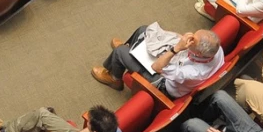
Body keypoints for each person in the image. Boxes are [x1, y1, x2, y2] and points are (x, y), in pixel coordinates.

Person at [92, 26, 224, 96]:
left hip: (164, 83)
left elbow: (157, 67)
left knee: (120, 52)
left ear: (198, 53)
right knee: (143, 30)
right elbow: (180, 39)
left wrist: (176, 48)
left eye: (191, 41)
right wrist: (169, 36)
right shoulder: (215, 47)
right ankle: (130, 51)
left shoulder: (192, 72)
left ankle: (115, 78)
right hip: (176, 63)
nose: (188, 38)